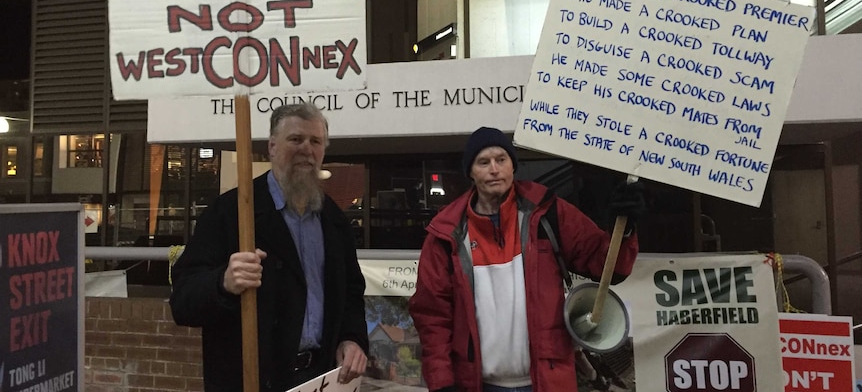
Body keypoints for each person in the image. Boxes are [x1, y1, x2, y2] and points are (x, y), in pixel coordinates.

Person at [408, 127, 646, 392]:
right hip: (476, 385)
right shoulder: (446, 233)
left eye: (501, 159)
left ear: (513, 166)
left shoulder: (547, 213)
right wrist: (442, 383)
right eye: (483, 162)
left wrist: (623, 229)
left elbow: (608, 266)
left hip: (547, 382)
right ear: (470, 173)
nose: (494, 169)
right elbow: (432, 317)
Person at [170, 103, 368, 392]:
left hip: (320, 378)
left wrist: (352, 338)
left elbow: (350, 293)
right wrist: (223, 282)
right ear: (272, 147)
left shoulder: (333, 221)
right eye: (296, 139)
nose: (307, 149)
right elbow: (183, 302)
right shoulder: (232, 213)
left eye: (315, 141)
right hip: (252, 381)